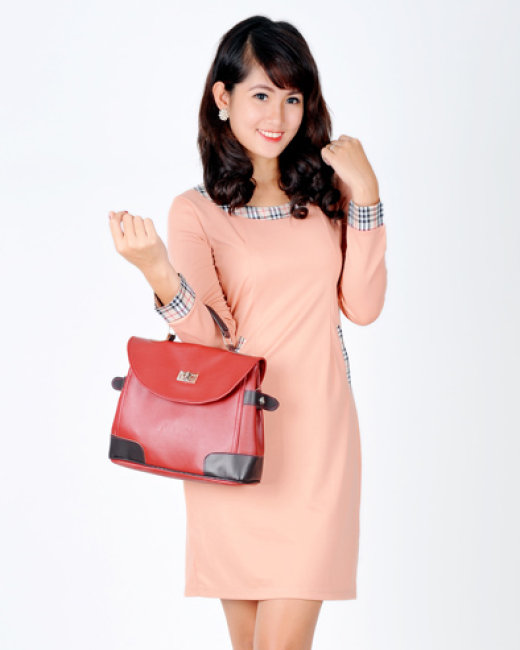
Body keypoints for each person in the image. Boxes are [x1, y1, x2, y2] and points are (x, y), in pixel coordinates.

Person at [108, 14, 387, 650]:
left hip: (317, 444)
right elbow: (210, 343)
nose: (278, 115)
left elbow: (364, 306)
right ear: (223, 97)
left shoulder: (328, 197)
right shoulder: (196, 210)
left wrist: (367, 192)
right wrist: (157, 271)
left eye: (293, 98)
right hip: (232, 442)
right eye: (261, 94)